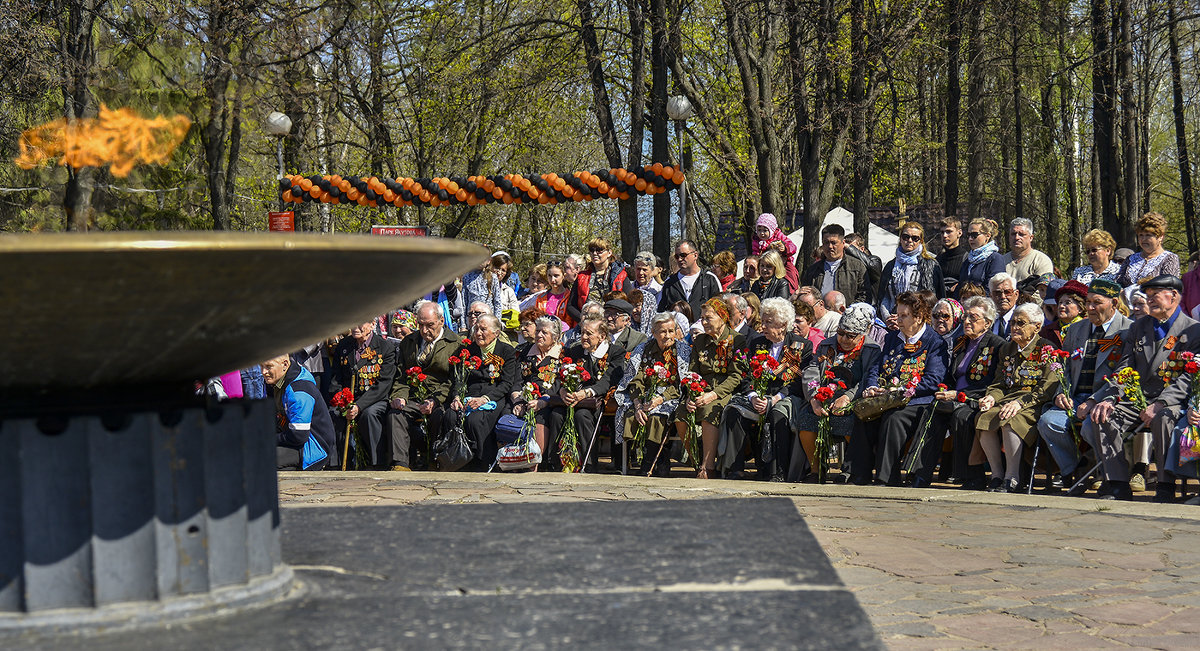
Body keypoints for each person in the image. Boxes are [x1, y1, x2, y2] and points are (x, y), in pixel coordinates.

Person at [1079, 275, 1200, 501]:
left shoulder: (1193, 331)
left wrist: (1160, 403)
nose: (1150, 300)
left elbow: (1188, 378)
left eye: (1155, 295)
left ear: (1173, 296)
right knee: (1103, 415)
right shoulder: (1139, 327)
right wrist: (1111, 398)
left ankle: (1165, 485)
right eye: (1148, 296)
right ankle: (1117, 483)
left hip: (1171, 401)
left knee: (1163, 418)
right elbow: (1125, 367)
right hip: (1137, 398)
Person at [1037, 279, 1131, 490]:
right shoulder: (1076, 329)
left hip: (1107, 399)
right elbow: (1066, 367)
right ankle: (1073, 471)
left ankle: (1098, 469)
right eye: (1087, 302)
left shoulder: (1128, 330)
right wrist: (1062, 392)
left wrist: (1093, 400)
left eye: (1096, 303)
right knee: (1048, 422)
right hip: (1075, 398)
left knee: (1091, 426)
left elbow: (1123, 375)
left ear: (1113, 304)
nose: (1089, 308)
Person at [850, 291, 949, 486]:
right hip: (887, 398)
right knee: (863, 413)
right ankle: (858, 474)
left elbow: (933, 380)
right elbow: (876, 369)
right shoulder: (893, 338)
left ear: (919, 317)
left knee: (893, 419)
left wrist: (899, 390)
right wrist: (871, 387)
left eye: (904, 316)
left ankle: (886, 477)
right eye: (898, 314)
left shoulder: (935, 343)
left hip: (917, 401)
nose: (899, 320)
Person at [717, 298, 813, 480]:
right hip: (758, 396)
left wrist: (775, 398)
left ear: (783, 324)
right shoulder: (756, 343)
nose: (763, 326)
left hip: (785, 396)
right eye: (763, 320)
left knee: (777, 414)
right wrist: (753, 396)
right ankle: (735, 468)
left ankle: (777, 472)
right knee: (734, 412)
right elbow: (746, 375)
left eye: (769, 322)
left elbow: (797, 381)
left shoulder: (801, 346)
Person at [788, 304, 882, 482]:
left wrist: (847, 398)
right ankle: (816, 470)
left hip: (854, 398)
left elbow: (869, 379)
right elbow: (811, 371)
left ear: (861, 335)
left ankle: (850, 469)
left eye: (850, 335)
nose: (844, 339)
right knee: (807, 418)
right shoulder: (826, 345)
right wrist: (814, 396)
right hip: (825, 395)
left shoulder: (871, 350)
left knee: (851, 421)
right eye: (840, 333)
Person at [973, 302, 1060, 492]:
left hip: (1033, 403)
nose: (1014, 327)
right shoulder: (1007, 349)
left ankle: (1012, 477)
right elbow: (999, 383)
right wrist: (991, 398)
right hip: (1008, 400)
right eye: (1013, 322)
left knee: (1010, 419)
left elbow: (1047, 388)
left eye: (1021, 323)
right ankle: (996, 475)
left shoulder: (1046, 349)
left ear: (1037, 326)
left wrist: (1019, 403)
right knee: (984, 417)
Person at [922, 296, 1005, 489]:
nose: (967, 321)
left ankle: (972, 476)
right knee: (932, 411)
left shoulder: (997, 345)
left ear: (987, 323)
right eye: (966, 316)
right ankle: (921, 472)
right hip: (954, 397)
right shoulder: (962, 343)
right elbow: (952, 375)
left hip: (977, 400)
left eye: (973, 318)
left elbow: (992, 383)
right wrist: (945, 389)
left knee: (962, 416)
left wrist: (960, 395)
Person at [614, 312, 692, 477]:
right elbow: (636, 378)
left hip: (672, 396)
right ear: (654, 332)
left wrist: (660, 399)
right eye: (663, 332)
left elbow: (681, 384)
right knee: (628, 414)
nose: (668, 336)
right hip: (645, 395)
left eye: (671, 331)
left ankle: (649, 463)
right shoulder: (644, 349)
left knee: (657, 417)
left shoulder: (683, 351)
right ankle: (636, 459)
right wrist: (638, 404)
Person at [389, 301, 461, 471]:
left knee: (439, 417)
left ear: (441, 321)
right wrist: (399, 396)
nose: (424, 330)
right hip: (413, 397)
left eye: (430, 325)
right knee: (395, 414)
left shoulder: (455, 343)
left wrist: (435, 401)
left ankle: (433, 458)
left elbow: (452, 381)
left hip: (439, 399)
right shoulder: (409, 342)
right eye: (420, 325)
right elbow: (401, 376)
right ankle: (401, 464)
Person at [682, 298, 749, 479]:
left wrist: (713, 394)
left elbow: (736, 376)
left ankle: (708, 466)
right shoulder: (700, 341)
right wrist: (691, 394)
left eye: (708, 318)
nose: (703, 322)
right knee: (681, 412)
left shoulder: (737, 340)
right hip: (701, 389)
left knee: (709, 410)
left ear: (722, 317)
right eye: (702, 318)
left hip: (724, 391)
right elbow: (692, 372)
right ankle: (696, 460)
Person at [550, 317, 627, 472]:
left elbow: (608, 380)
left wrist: (585, 393)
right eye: (582, 332)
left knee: (582, 416)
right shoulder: (576, 350)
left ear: (602, 336)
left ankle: (588, 464)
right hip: (574, 398)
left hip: (598, 400)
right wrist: (563, 390)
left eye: (589, 333)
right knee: (556, 414)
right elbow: (563, 373)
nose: (583, 337)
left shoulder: (616, 352)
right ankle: (555, 463)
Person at [452, 314, 519, 470]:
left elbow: (506, 383)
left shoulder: (506, 351)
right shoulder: (467, 350)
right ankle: (456, 460)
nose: (478, 333)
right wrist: (456, 397)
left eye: (483, 329)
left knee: (475, 420)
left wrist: (484, 399)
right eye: (476, 329)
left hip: (494, 395)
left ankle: (483, 461)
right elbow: (458, 379)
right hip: (468, 394)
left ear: (496, 333)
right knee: (451, 416)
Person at [328, 319, 397, 469]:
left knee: (369, 414)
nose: (355, 327)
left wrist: (359, 406)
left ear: (372, 324)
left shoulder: (385, 347)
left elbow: (383, 384)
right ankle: (337, 464)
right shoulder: (344, 345)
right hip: (347, 400)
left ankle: (375, 463)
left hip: (374, 399)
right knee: (334, 414)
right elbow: (336, 380)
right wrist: (343, 404)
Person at [263, 353, 336, 471]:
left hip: (313, 448)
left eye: (268, 367)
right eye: (261, 367)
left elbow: (299, 435)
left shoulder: (299, 391)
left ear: (285, 365)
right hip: (296, 439)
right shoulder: (279, 382)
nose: (263, 372)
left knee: (266, 458)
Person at [514, 316, 566, 471]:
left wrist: (543, 401)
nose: (539, 335)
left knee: (542, 415)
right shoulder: (524, 352)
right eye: (537, 331)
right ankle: (512, 460)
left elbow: (559, 384)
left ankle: (534, 464)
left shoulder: (563, 355)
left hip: (549, 401)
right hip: (523, 398)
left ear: (555, 337)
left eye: (544, 332)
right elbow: (516, 380)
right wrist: (517, 400)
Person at [877, 222, 945, 321]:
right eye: (906, 237)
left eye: (915, 238)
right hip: (893, 320)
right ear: (900, 239)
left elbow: (937, 298)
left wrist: (911, 318)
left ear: (921, 241)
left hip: (919, 321)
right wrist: (887, 317)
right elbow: (884, 296)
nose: (909, 240)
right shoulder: (890, 266)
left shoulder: (931, 265)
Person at [801, 223, 872, 304]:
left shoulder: (857, 267)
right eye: (826, 242)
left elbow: (865, 296)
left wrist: (848, 312)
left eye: (833, 242)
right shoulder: (813, 270)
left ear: (843, 243)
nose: (830, 246)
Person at [567, 238, 632, 324]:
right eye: (592, 250)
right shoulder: (581, 277)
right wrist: (582, 320)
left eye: (599, 250)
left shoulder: (621, 276)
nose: (594, 253)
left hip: (612, 325)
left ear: (609, 253)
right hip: (586, 325)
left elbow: (629, 304)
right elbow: (570, 306)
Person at [658, 239, 724, 317]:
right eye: (677, 256)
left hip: (704, 328)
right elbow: (660, 312)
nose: (679, 259)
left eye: (683, 255)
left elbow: (721, 310)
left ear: (695, 255)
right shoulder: (670, 283)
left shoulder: (710, 279)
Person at [1116, 212, 1182, 289]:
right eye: (1141, 235)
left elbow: (1168, 287)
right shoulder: (1130, 259)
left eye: (1148, 235)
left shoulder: (1170, 259)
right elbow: (1117, 284)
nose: (1143, 239)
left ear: (1160, 237)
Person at [751, 213, 800, 293]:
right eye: (759, 230)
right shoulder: (757, 241)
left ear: (772, 230)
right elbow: (756, 256)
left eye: (765, 230)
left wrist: (785, 248)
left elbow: (793, 247)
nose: (762, 233)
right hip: (767, 267)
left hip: (784, 265)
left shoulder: (779, 236)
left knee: (790, 280)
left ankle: (791, 293)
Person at [958, 218, 1006, 296]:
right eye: (968, 235)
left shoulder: (995, 259)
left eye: (974, 235)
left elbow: (993, 288)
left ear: (987, 236)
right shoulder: (968, 260)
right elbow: (960, 286)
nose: (970, 239)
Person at [1001, 218, 1054, 284]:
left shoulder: (1041, 260)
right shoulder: (1001, 261)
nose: (1017, 237)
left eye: (1021, 234)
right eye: (1013, 234)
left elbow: (1043, 290)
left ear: (1031, 237)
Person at [460, 258, 504, 331]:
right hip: (472, 319)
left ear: (488, 261)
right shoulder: (467, 277)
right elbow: (464, 303)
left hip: (488, 319)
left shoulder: (493, 277)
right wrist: (463, 325)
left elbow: (497, 303)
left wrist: (497, 323)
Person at [1040, 280, 1088, 347]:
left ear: (1080, 308)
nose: (1061, 306)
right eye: (1060, 302)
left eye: (1067, 303)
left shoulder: (1089, 328)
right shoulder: (1047, 331)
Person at [535, 259, 575, 329]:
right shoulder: (541, 298)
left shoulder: (570, 296)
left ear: (564, 276)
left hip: (565, 336)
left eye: (556, 276)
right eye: (549, 276)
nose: (552, 280)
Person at [936, 218, 968, 295]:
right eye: (942, 232)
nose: (944, 236)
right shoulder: (937, 260)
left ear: (959, 233)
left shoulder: (967, 259)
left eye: (949, 232)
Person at [988, 273, 1019, 337]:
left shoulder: (1023, 319)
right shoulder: (987, 320)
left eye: (1007, 292)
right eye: (997, 293)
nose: (1003, 296)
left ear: (1016, 295)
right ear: (991, 296)